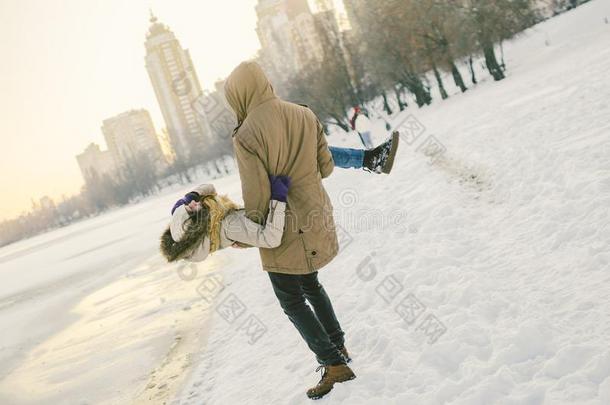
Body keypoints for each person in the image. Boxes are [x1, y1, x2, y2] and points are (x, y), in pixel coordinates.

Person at [223, 60, 356, 400]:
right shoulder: (304, 113)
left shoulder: (246, 134)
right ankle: (339, 349)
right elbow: (325, 168)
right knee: (310, 284)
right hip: (315, 214)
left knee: (291, 299)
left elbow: (256, 198)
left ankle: (333, 363)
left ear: (238, 95)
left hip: (282, 226)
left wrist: (247, 233)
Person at [160, 176, 291, 263]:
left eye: (188, 204)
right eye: (191, 209)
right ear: (197, 223)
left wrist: (190, 196)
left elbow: (210, 188)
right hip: (290, 230)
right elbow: (271, 239)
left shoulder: (213, 217)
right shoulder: (227, 225)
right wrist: (278, 198)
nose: (193, 202)